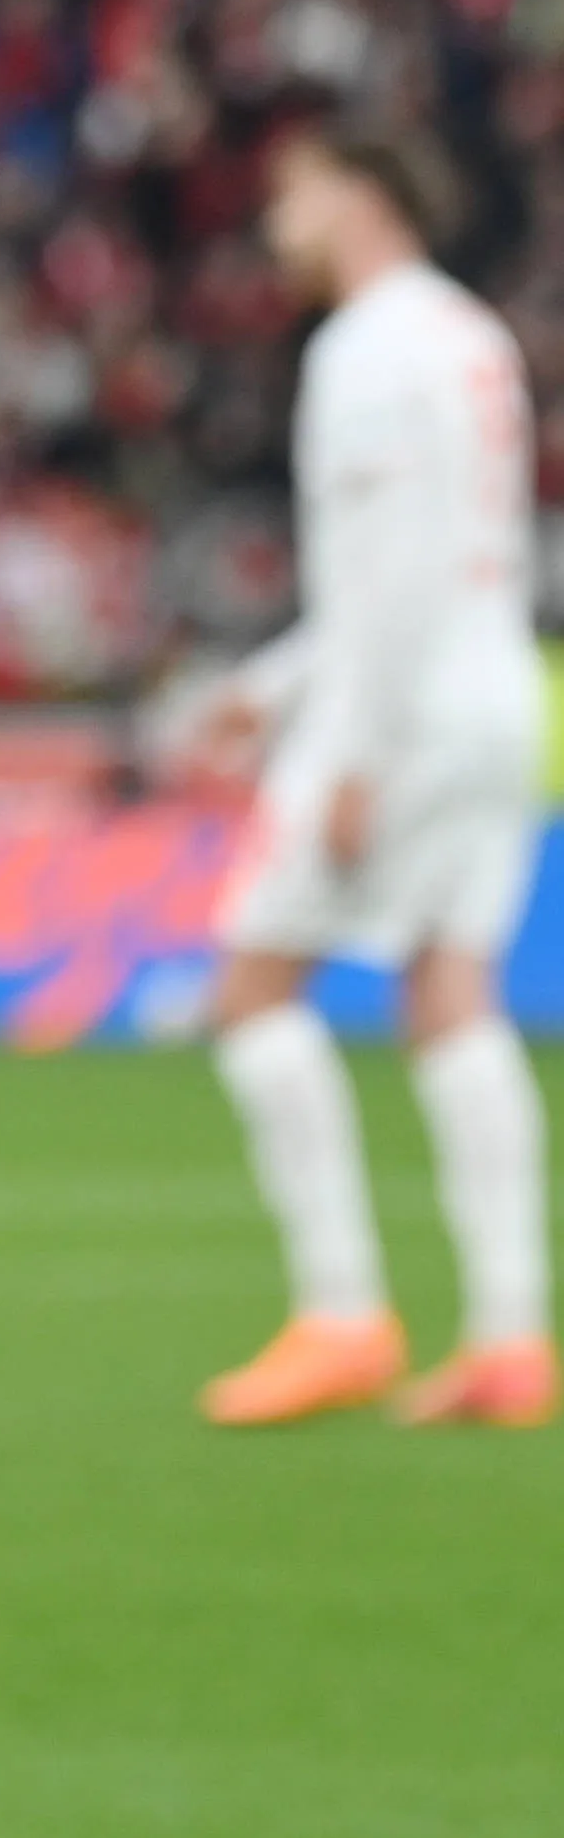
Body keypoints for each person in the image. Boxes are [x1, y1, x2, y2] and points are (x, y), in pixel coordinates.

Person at [187, 122, 554, 1430]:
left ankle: (339, 1312)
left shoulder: (362, 350)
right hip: (495, 690)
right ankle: (512, 1338)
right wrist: (269, 685)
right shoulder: (469, 338)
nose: (274, 225)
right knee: (452, 991)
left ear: (356, 193)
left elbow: (384, 574)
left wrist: (349, 747)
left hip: (397, 711)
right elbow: (441, 557)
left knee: (249, 990)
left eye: (287, 196)